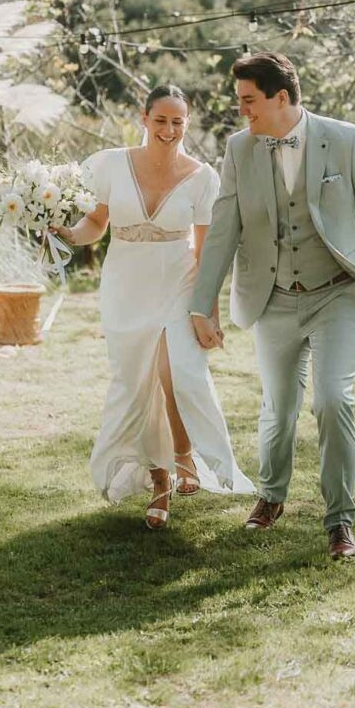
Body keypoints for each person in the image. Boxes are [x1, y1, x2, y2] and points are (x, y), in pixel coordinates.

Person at [190, 52, 355, 559]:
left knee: (332, 399)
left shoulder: (344, 140)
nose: (243, 112)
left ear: (281, 98)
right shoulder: (239, 149)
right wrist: (203, 304)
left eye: (249, 101)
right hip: (273, 298)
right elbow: (222, 230)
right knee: (279, 410)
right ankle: (272, 496)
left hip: (337, 294)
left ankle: (339, 520)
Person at [58, 84, 254, 529]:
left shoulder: (204, 178)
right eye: (161, 120)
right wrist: (68, 233)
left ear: (187, 124)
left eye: (178, 122)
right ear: (143, 118)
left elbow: (207, 253)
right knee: (137, 381)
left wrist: (208, 312)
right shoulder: (110, 164)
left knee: (177, 373)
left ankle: (185, 455)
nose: (169, 129)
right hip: (126, 284)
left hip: (179, 283)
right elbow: (95, 224)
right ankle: (160, 481)